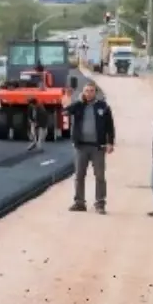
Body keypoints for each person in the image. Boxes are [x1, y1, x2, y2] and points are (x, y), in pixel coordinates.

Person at [61, 82, 115, 214]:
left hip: (98, 147)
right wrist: (71, 99)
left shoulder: (103, 107)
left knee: (100, 176)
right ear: (83, 92)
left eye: (91, 91)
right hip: (81, 146)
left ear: (95, 92)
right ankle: (79, 203)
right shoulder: (78, 106)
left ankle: (100, 204)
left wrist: (110, 142)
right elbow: (64, 111)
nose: (88, 93)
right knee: (79, 175)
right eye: (86, 91)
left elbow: (110, 126)